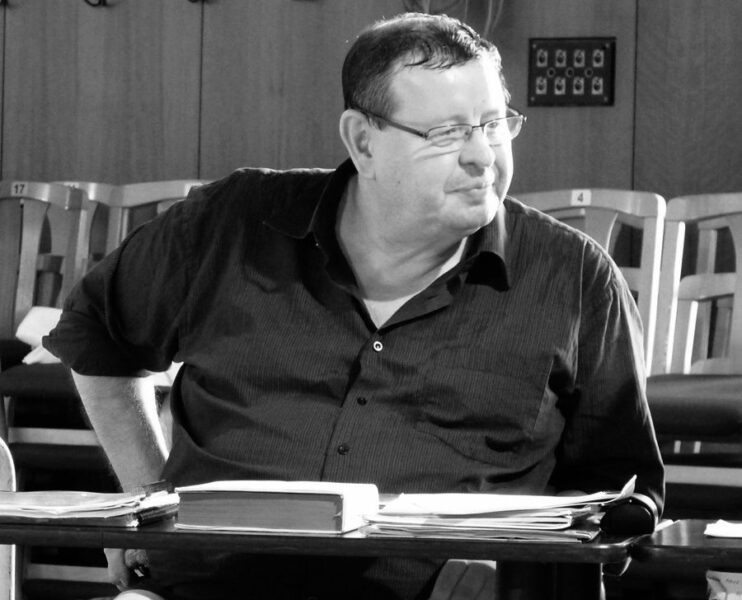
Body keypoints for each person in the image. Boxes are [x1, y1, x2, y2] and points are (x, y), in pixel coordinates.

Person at [44, 11, 664, 600]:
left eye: (494, 124)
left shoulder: (573, 277)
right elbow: (96, 336)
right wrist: (149, 500)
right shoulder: (232, 223)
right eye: (447, 133)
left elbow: (622, 493)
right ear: (363, 141)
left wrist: (520, 569)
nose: (482, 156)